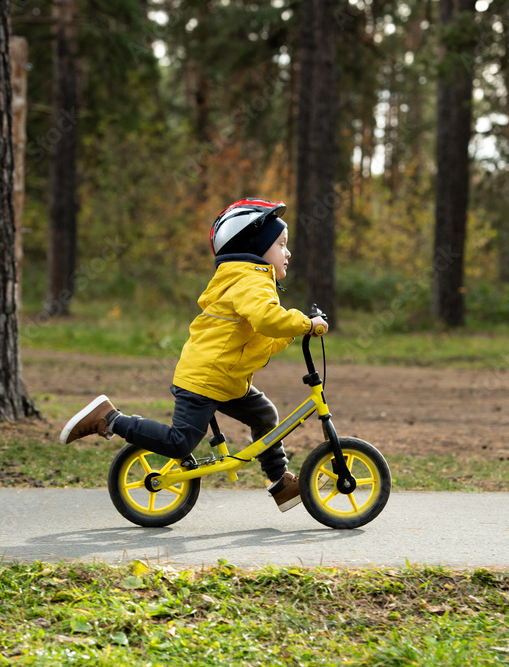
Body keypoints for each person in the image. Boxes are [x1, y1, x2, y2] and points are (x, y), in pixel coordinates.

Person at [59, 198, 329, 512]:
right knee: (179, 443)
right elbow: (268, 319)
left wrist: (296, 330)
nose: (288, 252)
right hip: (205, 379)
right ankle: (110, 419)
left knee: (264, 415)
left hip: (225, 379)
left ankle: (280, 482)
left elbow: (261, 336)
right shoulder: (249, 280)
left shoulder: (248, 280)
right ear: (256, 246)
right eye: (281, 244)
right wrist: (305, 322)